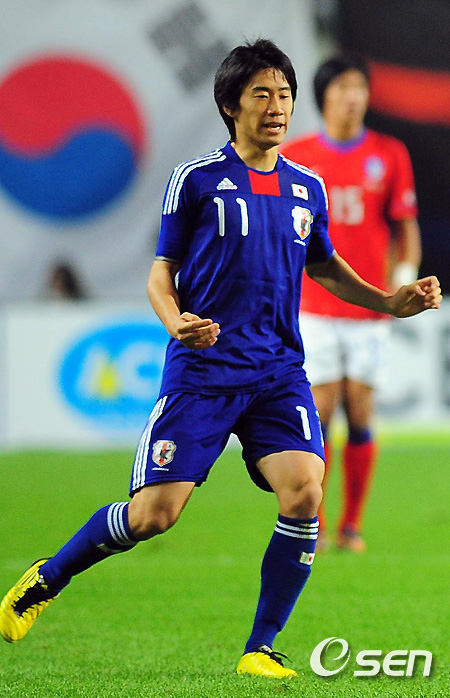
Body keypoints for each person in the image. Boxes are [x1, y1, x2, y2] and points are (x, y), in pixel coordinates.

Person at [0, 40, 440, 679]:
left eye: (284, 95)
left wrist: (387, 301)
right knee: (154, 516)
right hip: (203, 373)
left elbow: (323, 266)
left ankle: (260, 648)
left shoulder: (306, 187)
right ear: (231, 105)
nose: (277, 106)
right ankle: (47, 577)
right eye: (262, 94)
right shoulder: (197, 181)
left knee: (305, 490)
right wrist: (176, 320)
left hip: (277, 370)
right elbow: (162, 272)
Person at [281, 55, 422, 553]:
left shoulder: (389, 153)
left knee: (360, 412)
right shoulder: (296, 157)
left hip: (370, 306)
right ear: (324, 96)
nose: (353, 96)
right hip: (314, 305)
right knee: (320, 410)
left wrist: (401, 282)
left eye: (360, 87)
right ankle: (314, 523)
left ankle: (352, 526)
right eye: (343, 87)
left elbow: (404, 226)